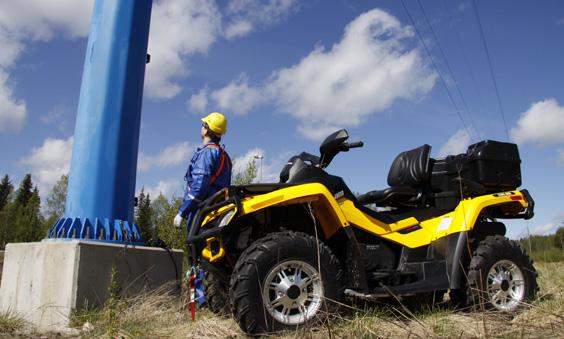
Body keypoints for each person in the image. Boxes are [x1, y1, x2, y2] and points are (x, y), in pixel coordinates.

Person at [173, 112, 232, 305]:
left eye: (203, 125)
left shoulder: (207, 153)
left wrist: (182, 211)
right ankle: (211, 298)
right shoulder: (224, 155)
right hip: (216, 211)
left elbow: (199, 186)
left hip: (201, 212)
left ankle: (197, 302)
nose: (201, 128)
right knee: (211, 254)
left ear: (207, 129)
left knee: (195, 256)